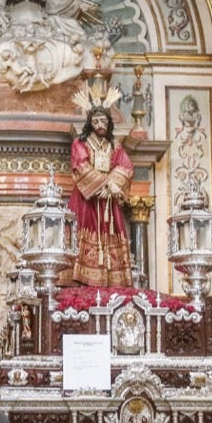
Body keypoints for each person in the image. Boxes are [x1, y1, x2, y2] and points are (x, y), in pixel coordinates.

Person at [68, 104, 134, 287]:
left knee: (111, 234)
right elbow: (80, 166)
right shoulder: (80, 144)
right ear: (90, 123)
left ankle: (111, 278)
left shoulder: (115, 146)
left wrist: (113, 183)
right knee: (81, 232)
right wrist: (106, 183)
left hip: (108, 204)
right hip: (85, 200)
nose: (99, 124)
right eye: (95, 121)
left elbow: (126, 167)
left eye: (103, 120)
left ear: (109, 122)